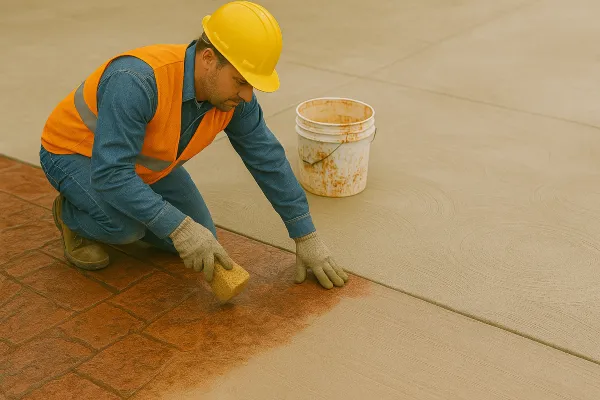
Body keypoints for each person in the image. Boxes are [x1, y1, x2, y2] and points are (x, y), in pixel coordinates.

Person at [38, 1, 348, 290]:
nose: (247, 96)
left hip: (139, 167)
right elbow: (110, 173)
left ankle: (125, 209)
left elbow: (266, 157)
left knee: (203, 241)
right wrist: (176, 226)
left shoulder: (232, 99)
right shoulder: (136, 81)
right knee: (127, 229)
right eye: (241, 81)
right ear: (209, 59)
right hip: (76, 154)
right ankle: (72, 216)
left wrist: (304, 233)